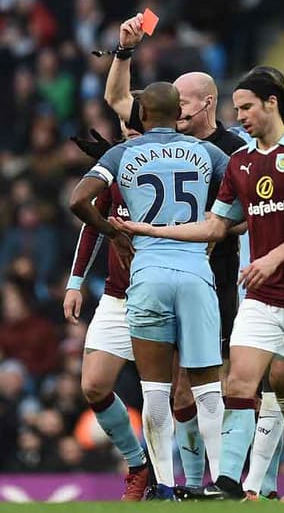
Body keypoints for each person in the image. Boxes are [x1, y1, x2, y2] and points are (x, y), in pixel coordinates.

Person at [112, 73, 284, 502]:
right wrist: (149, 229)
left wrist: (272, 258)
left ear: (271, 104)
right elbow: (215, 226)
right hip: (263, 297)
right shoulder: (240, 163)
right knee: (240, 385)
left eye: (246, 108)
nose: (239, 117)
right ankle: (230, 484)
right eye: (237, 109)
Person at [103, 13, 246, 486]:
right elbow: (119, 99)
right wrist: (124, 51)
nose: (175, 109)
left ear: (207, 103)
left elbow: (253, 209)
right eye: (173, 102)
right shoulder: (172, 143)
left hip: (219, 273)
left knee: (210, 382)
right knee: (182, 389)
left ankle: (230, 479)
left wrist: (218, 231)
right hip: (182, 271)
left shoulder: (231, 147)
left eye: (184, 101)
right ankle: (191, 481)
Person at [70, 82, 229, 499]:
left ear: (141, 115)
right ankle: (224, 483)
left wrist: (115, 234)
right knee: (207, 387)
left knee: (155, 390)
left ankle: (165, 486)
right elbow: (246, 194)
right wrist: (218, 229)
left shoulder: (123, 156)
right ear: (179, 112)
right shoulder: (207, 153)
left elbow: (77, 201)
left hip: (148, 276)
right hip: (196, 274)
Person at [63, 121, 149, 501]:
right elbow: (92, 226)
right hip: (118, 296)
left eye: (134, 125)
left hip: (166, 295)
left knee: (173, 398)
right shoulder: (113, 168)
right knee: (94, 385)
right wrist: (75, 281)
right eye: (123, 127)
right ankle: (138, 465)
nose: (127, 132)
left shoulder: (184, 162)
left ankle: (191, 481)